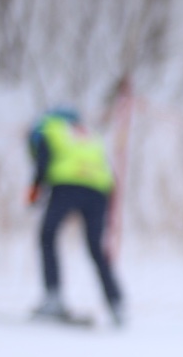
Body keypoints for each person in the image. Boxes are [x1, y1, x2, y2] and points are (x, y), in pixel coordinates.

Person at [26, 107, 125, 326]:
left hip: (67, 185)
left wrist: (35, 188)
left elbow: (42, 157)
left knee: (47, 236)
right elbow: (107, 167)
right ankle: (117, 303)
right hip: (99, 190)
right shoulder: (89, 133)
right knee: (96, 247)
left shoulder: (47, 128)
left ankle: (53, 298)